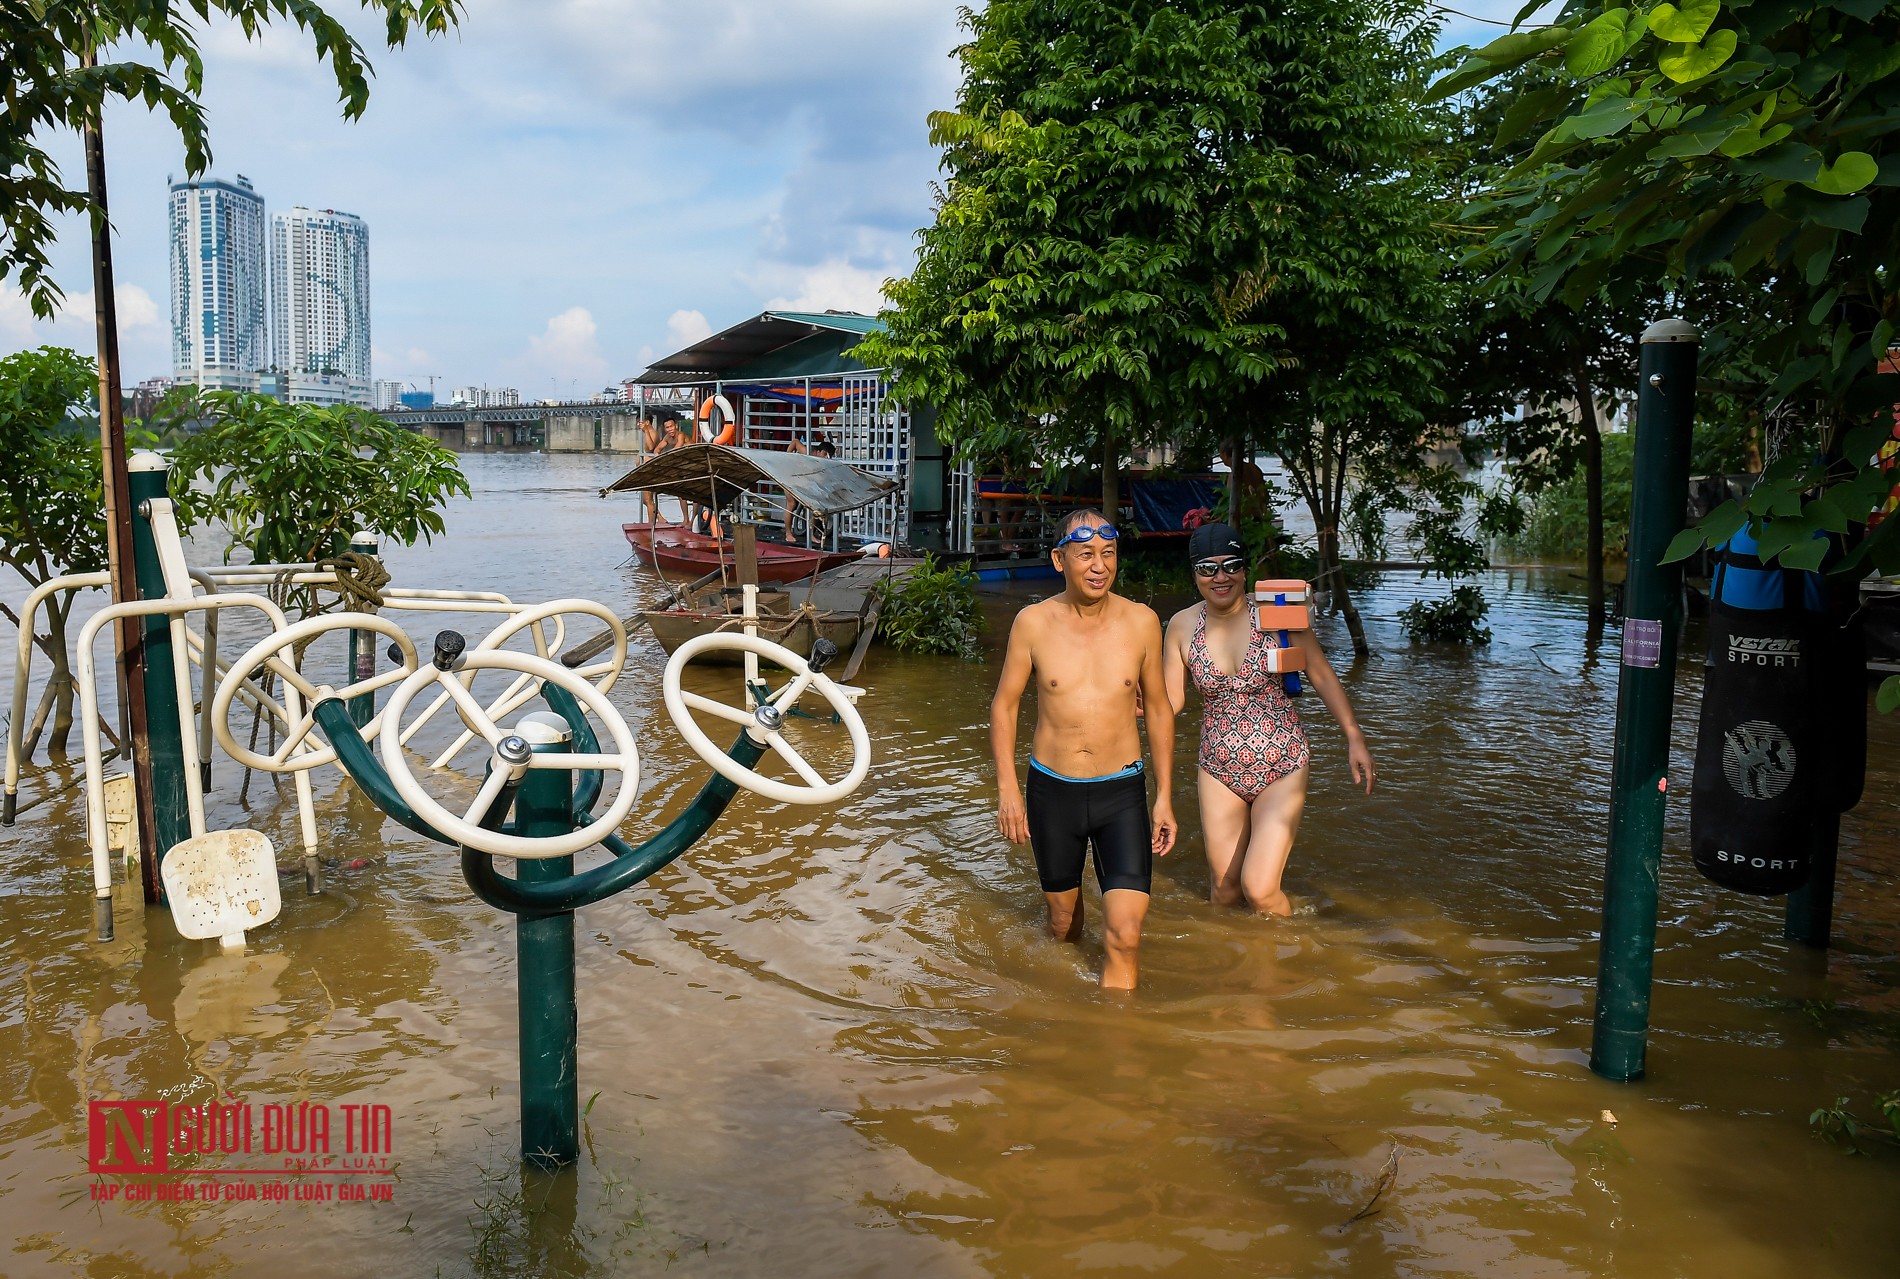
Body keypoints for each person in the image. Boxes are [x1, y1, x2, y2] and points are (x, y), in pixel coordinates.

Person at [990, 508, 1177, 990]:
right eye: (1086, 554)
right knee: (1063, 927)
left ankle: (1118, 1046)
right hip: (1053, 792)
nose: (1099, 565)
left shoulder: (1142, 622)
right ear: (1059, 560)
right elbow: (1004, 707)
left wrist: (1164, 797)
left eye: (1109, 553)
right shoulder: (1032, 623)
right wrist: (1008, 790)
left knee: (1126, 935)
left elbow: (1157, 709)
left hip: (1122, 791)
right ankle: (1063, 1008)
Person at [1161, 522, 1373, 916]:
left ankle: (1293, 963)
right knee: (1224, 894)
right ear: (1194, 574)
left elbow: (1322, 674)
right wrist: (1134, 701)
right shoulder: (1181, 626)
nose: (1221, 577)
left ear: (1246, 570)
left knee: (1258, 888)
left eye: (1232, 565)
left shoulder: (1278, 617)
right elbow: (1171, 701)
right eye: (1208, 568)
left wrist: (1353, 735)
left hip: (1282, 762)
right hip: (1218, 768)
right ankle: (1237, 970)